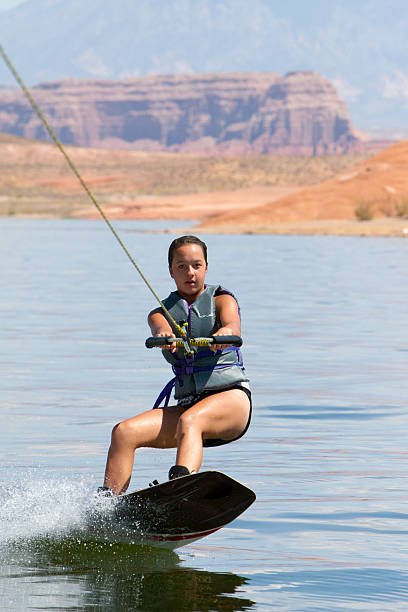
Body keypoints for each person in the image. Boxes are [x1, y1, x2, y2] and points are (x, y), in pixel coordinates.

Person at [98, 235, 251, 496]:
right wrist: (164, 338)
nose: (189, 273)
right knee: (123, 432)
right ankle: (105, 509)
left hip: (231, 402)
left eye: (196, 265)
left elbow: (232, 325)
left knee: (190, 420)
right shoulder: (160, 313)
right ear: (171, 270)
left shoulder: (222, 300)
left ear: (205, 267)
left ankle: (180, 489)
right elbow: (160, 328)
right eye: (181, 266)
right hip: (189, 404)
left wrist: (222, 335)